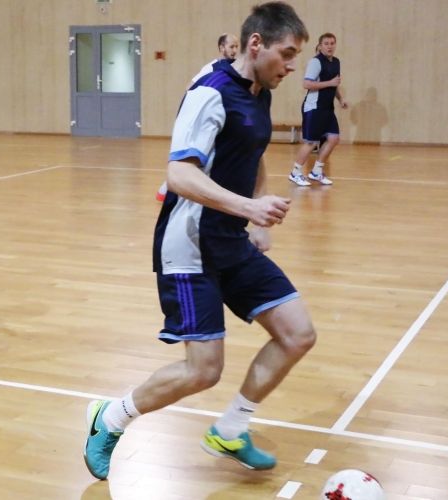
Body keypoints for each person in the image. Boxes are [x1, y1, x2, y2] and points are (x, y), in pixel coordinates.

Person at [84, 1, 313, 480]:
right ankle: (110, 418)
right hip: (189, 246)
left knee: (297, 334)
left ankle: (230, 429)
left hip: (230, 238)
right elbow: (179, 174)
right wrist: (249, 208)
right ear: (256, 44)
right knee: (203, 370)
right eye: (288, 54)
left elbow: (252, 152)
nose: (292, 66)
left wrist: (258, 210)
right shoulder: (211, 92)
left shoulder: (260, 91)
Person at [157, 34, 241, 202]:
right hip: (203, 121)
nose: (234, 50)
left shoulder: (236, 69)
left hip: (223, 120)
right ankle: (168, 188)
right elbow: (190, 86)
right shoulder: (212, 68)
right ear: (221, 48)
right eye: (231, 46)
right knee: (195, 158)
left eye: (236, 47)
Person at [289, 32, 347, 187]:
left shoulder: (336, 62)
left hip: (327, 108)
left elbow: (334, 84)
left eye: (332, 43)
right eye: (326, 43)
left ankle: (316, 171)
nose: (329, 46)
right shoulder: (316, 62)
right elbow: (307, 84)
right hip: (314, 107)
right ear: (320, 46)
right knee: (311, 142)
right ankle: (295, 172)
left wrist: (341, 99)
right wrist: (330, 83)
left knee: (333, 138)